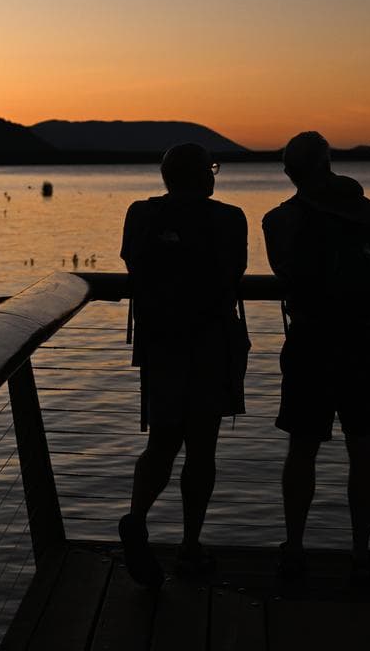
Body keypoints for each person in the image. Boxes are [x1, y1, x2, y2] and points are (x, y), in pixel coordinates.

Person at [262, 131, 370, 584]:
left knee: (302, 448)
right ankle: (361, 551)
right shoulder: (362, 210)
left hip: (311, 341)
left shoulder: (280, 220)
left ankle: (295, 547)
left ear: (288, 172)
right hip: (363, 340)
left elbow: (285, 272)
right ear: (328, 163)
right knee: (364, 448)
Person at [118, 143, 248, 588]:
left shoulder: (139, 214)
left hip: (161, 344)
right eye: (212, 169)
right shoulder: (230, 218)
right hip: (212, 343)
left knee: (162, 442)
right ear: (204, 177)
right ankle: (190, 547)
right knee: (202, 449)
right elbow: (234, 273)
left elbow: (131, 262)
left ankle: (137, 517)